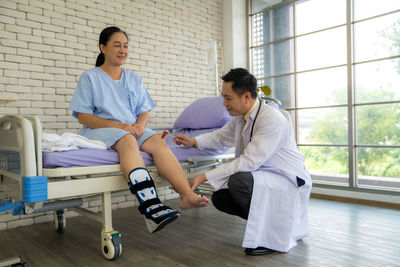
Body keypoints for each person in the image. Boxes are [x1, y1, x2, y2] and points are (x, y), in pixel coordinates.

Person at [69, 26, 210, 233]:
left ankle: (187, 196)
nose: (122, 50)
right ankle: (150, 205)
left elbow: (144, 111)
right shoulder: (90, 77)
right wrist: (121, 126)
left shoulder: (134, 78)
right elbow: (83, 116)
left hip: (131, 128)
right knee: (127, 140)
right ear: (103, 48)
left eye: (125, 46)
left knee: (158, 143)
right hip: (101, 128)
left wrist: (140, 126)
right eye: (117, 45)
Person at [174, 68, 312, 255]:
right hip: (264, 176)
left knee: (239, 181)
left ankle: (274, 235)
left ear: (246, 97)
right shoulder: (241, 119)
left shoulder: (271, 119)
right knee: (221, 198)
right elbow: (221, 137)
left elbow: (249, 161)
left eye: (228, 98)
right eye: (223, 97)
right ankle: (278, 226)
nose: (224, 103)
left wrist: (203, 177)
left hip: (286, 179)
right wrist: (194, 141)